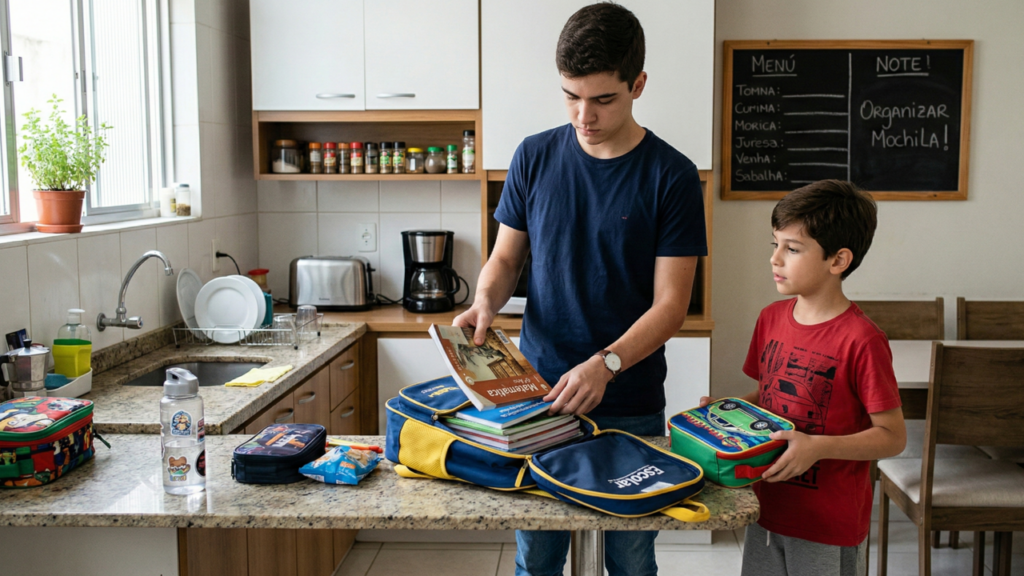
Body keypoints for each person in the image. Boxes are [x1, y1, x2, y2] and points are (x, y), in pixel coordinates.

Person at [452, 4, 707, 575]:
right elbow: (505, 257)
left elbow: (672, 306)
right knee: (536, 559)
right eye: (570, 95)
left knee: (630, 563)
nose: (583, 115)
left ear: (638, 85)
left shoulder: (672, 176)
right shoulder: (534, 155)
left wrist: (606, 364)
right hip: (536, 397)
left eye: (602, 99)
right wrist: (485, 301)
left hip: (629, 403)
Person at [699, 180, 907, 576]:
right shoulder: (770, 318)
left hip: (828, 522)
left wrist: (816, 447)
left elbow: (893, 436)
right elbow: (769, 396)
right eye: (774, 245)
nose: (775, 259)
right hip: (765, 507)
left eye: (792, 249)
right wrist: (728, 411)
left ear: (838, 260)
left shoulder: (863, 340)